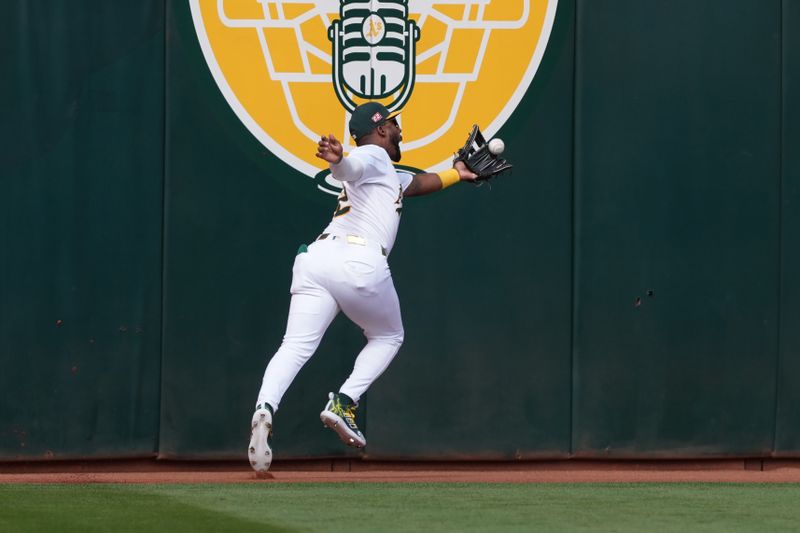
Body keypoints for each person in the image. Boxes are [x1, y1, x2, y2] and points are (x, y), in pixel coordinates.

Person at [248, 102, 477, 474]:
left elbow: (417, 183)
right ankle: (344, 401)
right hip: (358, 261)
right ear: (382, 129)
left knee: (294, 345)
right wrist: (338, 161)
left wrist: (457, 173)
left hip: (317, 258)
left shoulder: (386, 174)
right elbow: (351, 167)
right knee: (389, 336)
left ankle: (264, 408)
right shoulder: (372, 156)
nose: (399, 130)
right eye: (394, 124)